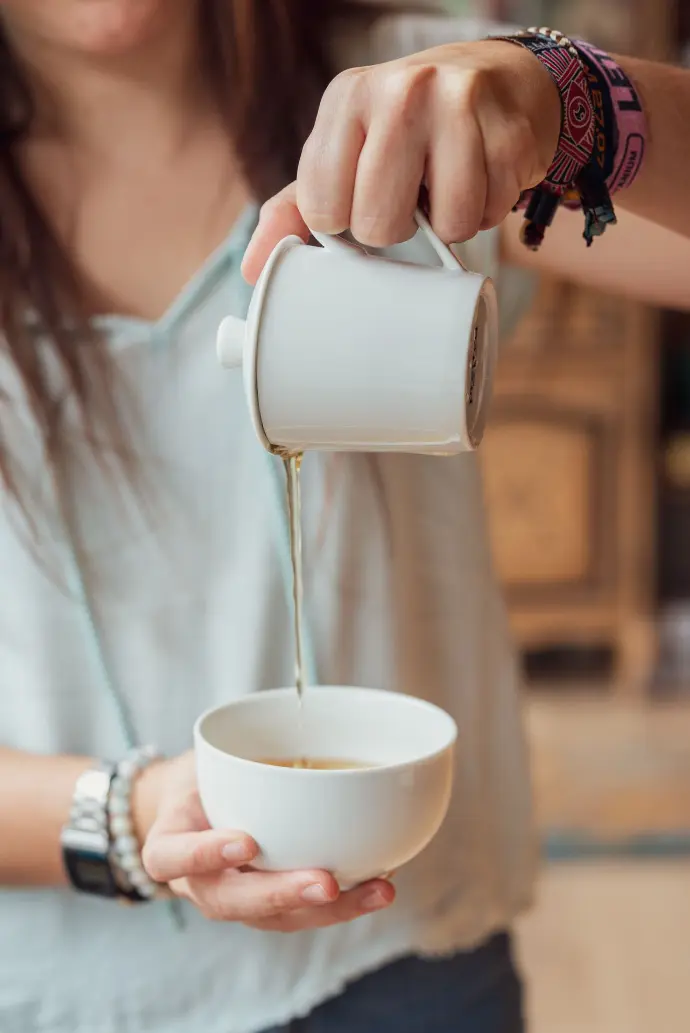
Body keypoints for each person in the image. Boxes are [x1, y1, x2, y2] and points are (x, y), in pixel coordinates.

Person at [1, 4, 689, 1033]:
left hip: (407, 967)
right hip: (58, 993)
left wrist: (559, 100)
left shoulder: (408, 121)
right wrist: (135, 815)